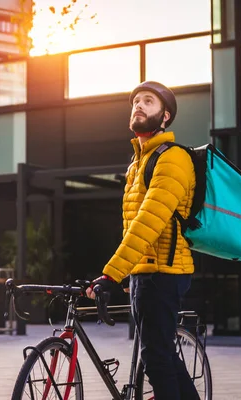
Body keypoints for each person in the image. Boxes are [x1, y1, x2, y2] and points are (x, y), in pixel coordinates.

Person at [86, 81, 199, 400]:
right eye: (135, 101)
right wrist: (129, 271)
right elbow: (131, 225)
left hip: (165, 273)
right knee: (162, 354)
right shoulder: (138, 163)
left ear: (165, 117)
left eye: (148, 101)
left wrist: (113, 272)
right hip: (145, 273)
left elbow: (149, 222)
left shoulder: (173, 159)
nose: (138, 105)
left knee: (156, 359)